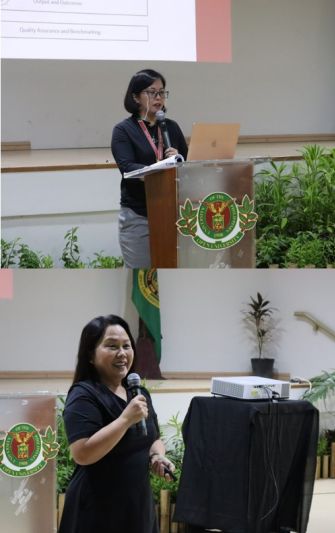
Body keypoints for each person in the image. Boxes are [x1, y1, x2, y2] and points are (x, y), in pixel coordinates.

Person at [59, 315, 174, 533]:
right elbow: (82, 453)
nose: (122, 353)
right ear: (90, 355)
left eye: (126, 346)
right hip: (98, 509)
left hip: (137, 505)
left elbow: (153, 438)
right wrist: (125, 420)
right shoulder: (83, 395)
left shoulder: (138, 393)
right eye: (112, 346)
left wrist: (157, 456)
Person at [111, 69, 188, 268]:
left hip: (172, 213)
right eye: (151, 92)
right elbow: (128, 168)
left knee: (172, 274)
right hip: (138, 215)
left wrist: (178, 160)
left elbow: (188, 164)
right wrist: (163, 166)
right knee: (142, 279)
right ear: (136, 97)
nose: (158, 97)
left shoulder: (171, 127)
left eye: (162, 92)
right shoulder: (123, 130)